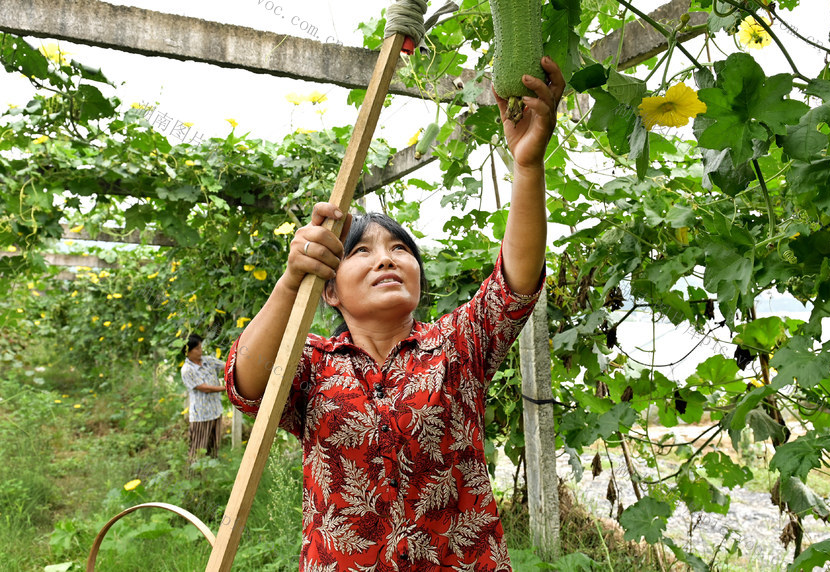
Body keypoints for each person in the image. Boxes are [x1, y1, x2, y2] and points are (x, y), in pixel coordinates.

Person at [224, 56, 564, 570]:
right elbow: (248, 383)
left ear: (418, 276)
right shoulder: (312, 364)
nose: (385, 257)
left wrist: (527, 165)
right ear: (330, 292)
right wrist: (292, 281)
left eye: (400, 250)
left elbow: (515, 282)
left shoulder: (457, 347)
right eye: (361, 251)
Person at [180, 333, 226, 462]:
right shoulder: (187, 370)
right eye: (197, 349)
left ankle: (210, 477)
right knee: (198, 450)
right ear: (188, 351)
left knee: (213, 448)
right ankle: (194, 477)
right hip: (201, 415)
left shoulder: (208, 361)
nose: (200, 351)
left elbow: (227, 366)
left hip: (216, 411)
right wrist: (226, 388)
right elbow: (205, 388)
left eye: (201, 347)